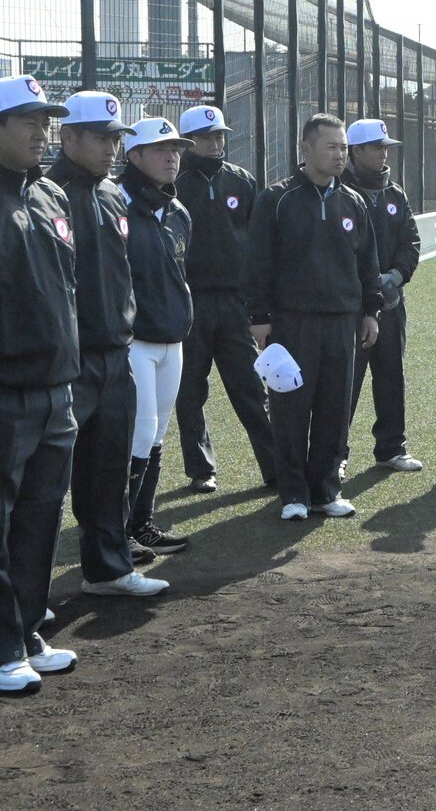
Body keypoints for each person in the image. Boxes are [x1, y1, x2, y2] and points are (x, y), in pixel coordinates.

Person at [0, 76, 81, 697]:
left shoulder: (50, 192)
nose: (41, 131)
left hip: (57, 387)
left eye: (44, 119)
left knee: (40, 520)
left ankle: (26, 630)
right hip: (1, 394)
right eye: (27, 120)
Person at [46, 93, 168, 598]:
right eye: (100, 137)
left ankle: (109, 571)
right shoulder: (46, 192)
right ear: (67, 137)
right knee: (46, 483)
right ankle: (26, 595)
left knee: (109, 470)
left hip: (116, 353)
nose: (110, 148)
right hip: (67, 359)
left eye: (116, 138)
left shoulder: (114, 193)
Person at [247, 114, 383, 519]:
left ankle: (326, 490)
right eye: (331, 147)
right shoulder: (276, 199)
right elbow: (257, 262)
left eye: (344, 147)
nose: (340, 155)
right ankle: (293, 495)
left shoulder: (353, 201)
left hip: (342, 322)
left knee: (334, 408)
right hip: (292, 323)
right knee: (290, 408)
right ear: (305, 149)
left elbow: (368, 264)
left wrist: (371, 311)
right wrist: (259, 315)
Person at [173, 104, 277, 494]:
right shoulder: (175, 183)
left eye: (219, 135)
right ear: (188, 142)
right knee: (190, 390)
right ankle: (201, 469)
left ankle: (275, 467)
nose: (215, 143)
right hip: (191, 302)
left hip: (235, 303)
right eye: (205, 137)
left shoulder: (242, 180)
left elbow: (261, 241)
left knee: (251, 387)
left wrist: (260, 301)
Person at [118, 117, 195, 554]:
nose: (172, 157)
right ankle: (119, 533)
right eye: (161, 149)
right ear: (134, 156)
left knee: (158, 434)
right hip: (135, 342)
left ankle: (141, 525)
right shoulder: (117, 203)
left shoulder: (178, 211)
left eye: (176, 149)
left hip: (172, 339)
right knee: (138, 436)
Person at [341, 117, 422, 473]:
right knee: (345, 382)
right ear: (356, 151)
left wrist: (396, 275)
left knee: (391, 376)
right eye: (376, 147)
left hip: (390, 303)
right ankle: (335, 454)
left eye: (386, 147)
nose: (383, 153)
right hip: (350, 307)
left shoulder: (395, 193)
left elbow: (411, 241)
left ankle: (391, 448)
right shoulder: (339, 191)